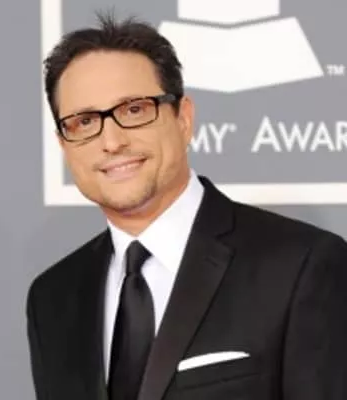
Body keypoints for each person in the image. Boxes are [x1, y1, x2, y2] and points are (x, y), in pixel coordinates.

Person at [26, 13, 347, 400]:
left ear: (184, 119)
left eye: (134, 110)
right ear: (64, 145)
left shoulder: (302, 266)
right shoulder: (52, 297)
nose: (111, 141)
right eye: (84, 121)